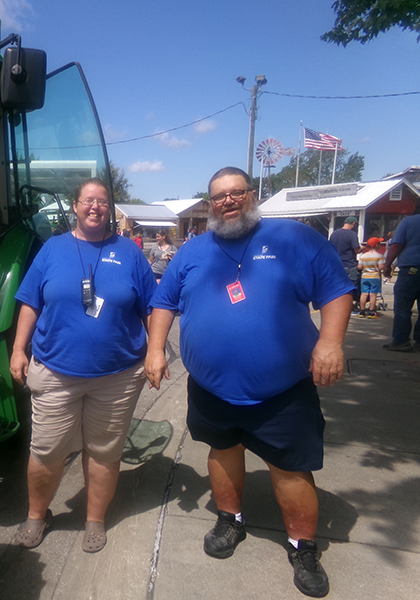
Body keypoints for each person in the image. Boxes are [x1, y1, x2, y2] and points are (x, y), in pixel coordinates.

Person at [146, 167, 353, 598]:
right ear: (209, 204)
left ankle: (302, 546)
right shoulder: (192, 251)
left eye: (236, 193)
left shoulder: (294, 239)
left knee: (291, 469)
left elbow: (335, 289)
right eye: (219, 196)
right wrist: (154, 349)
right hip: (210, 387)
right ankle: (230, 519)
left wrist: (330, 343)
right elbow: (163, 301)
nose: (228, 201)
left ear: (252, 195)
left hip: (282, 391)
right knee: (222, 453)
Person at [10, 177, 156, 553]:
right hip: (55, 371)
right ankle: (37, 515)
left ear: (111, 209)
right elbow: (30, 302)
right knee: (46, 450)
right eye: (88, 201)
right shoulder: (52, 249)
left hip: (118, 377)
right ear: (75, 206)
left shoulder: (130, 253)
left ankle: (94, 519)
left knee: (105, 451)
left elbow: (153, 309)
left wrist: (155, 352)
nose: (95, 207)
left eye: (103, 202)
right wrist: (18, 349)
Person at [382, 206, 420, 351]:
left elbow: (397, 244)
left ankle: (401, 340)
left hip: (412, 268)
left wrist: (387, 264)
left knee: (403, 306)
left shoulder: (408, 222)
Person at [329, 216, 365, 309]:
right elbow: (356, 250)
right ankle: (348, 306)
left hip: (336, 264)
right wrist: (362, 248)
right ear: (353, 224)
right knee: (350, 287)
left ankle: (336, 304)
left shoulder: (334, 234)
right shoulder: (352, 234)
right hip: (349, 264)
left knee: (337, 285)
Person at [357, 237, 385, 318]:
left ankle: (362, 311)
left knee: (364, 294)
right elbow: (380, 267)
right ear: (376, 245)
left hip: (365, 276)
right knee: (373, 294)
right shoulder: (380, 256)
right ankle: (371, 311)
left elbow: (359, 267)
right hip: (375, 277)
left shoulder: (363, 256)